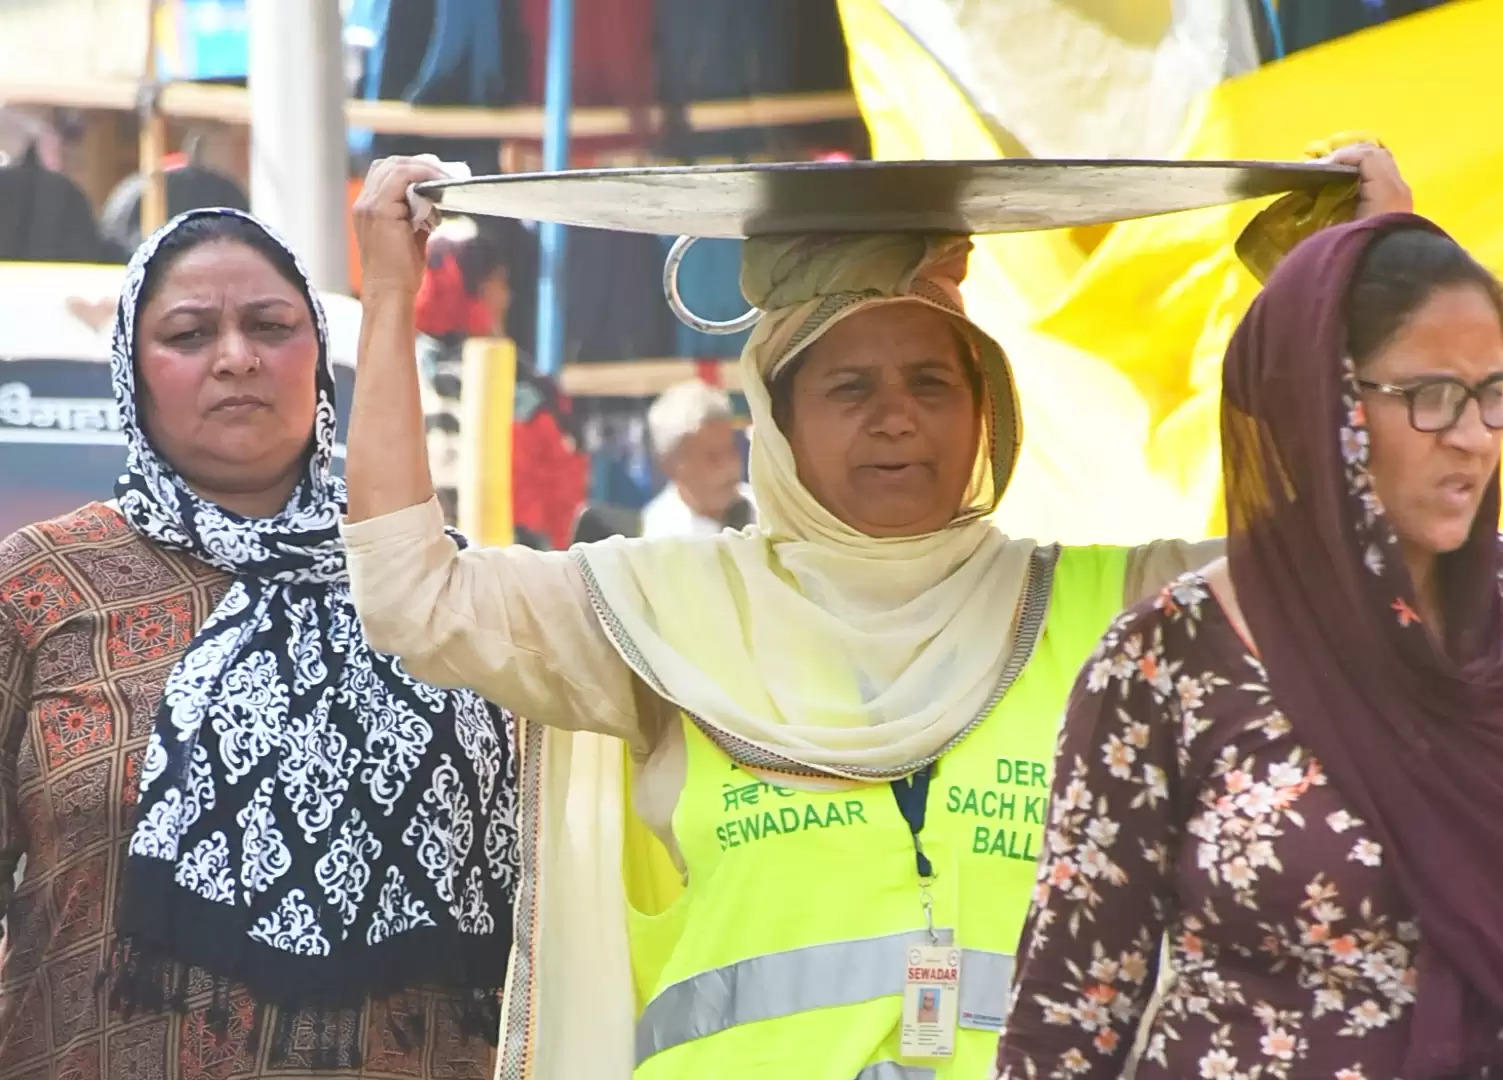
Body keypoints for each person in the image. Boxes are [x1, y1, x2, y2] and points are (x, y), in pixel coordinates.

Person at [340, 148, 1410, 1079]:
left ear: (986, 409)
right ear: (779, 415)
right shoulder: (662, 609)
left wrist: (1358, 299)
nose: (897, 419)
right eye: (849, 388)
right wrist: (391, 300)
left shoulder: (1108, 611)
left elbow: (1361, 575)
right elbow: (410, 594)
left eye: (932, 384)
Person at [0, 208, 519, 1079]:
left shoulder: (432, 587)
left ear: (317, 357)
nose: (235, 356)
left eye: (271, 327)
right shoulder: (39, 586)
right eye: (190, 334)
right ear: (132, 368)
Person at [994, 216, 1503, 1079]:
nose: (1472, 435)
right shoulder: (1169, 659)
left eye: (1493, 392)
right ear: (1322, 406)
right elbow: (1068, 1016)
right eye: (1430, 396)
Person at [414, 214, 586, 547]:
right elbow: (562, 485)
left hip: (430, 564)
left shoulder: (401, 374)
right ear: (475, 289)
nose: (506, 298)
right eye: (500, 283)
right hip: (513, 565)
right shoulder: (519, 384)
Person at [640, 378, 755, 538]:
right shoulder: (660, 534)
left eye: (731, 450)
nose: (730, 466)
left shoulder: (766, 511)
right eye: (712, 457)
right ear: (671, 465)